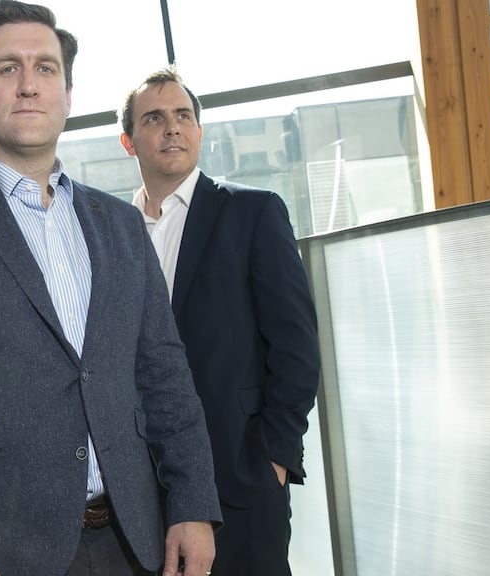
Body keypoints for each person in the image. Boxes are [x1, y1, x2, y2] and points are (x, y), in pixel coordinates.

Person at [0, 2, 221, 576]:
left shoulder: (120, 225)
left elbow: (164, 375)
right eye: (8, 69)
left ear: (68, 94)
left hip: (134, 541)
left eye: (46, 69)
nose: (29, 85)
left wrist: (193, 505)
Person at [119, 67, 322, 575]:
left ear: (199, 132)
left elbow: (297, 349)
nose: (172, 128)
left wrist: (273, 458)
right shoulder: (110, 233)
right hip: (144, 491)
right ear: (128, 141)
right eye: (155, 118)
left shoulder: (253, 212)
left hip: (240, 476)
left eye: (183, 116)